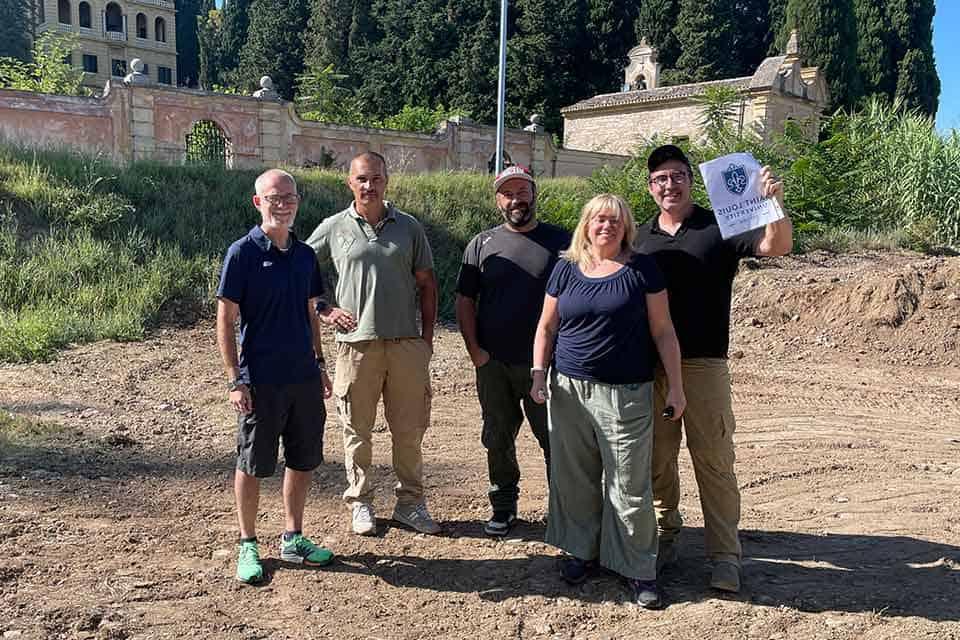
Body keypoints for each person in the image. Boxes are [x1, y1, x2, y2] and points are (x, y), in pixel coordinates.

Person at [635, 144, 793, 594]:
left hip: (703, 364)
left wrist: (773, 205)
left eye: (678, 175)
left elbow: (775, 247)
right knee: (656, 461)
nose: (670, 184)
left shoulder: (720, 224)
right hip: (651, 370)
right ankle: (666, 538)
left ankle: (725, 555)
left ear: (690, 179)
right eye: (661, 178)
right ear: (651, 187)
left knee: (715, 462)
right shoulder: (640, 237)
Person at [530, 193, 686, 609]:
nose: (607, 226)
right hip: (568, 391)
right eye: (599, 219)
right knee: (575, 477)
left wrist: (676, 386)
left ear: (626, 227)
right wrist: (538, 375)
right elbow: (546, 327)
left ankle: (638, 568)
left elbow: (664, 331)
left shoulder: (642, 269)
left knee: (629, 485)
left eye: (615, 220)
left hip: (626, 394)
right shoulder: (565, 270)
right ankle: (582, 552)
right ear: (586, 224)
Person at [307, 151, 440, 536]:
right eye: (362, 179)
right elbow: (301, 269)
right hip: (356, 346)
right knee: (356, 430)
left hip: (405, 347)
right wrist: (324, 308)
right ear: (350, 182)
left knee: (409, 430)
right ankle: (360, 502)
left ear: (386, 181)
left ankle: (411, 504)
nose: (370, 186)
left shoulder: (409, 227)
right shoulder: (334, 228)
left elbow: (428, 285)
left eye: (376, 178)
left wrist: (426, 341)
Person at [216, 169, 335, 584]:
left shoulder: (305, 255)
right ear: (258, 202)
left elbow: (311, 309)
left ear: (297, 202)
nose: (282, 204)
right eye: (274, 197)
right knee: (251, 463)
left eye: (289, 197)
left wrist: (319, 364)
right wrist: (236, 379)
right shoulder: (242, 254)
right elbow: (226, 319)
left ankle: (293, 537)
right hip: (260, 380)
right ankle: (248, 543)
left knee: (302, 460)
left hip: (302, 377)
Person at [455, 165, 570, 537]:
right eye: (508, 193)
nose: (516, 199)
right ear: (497, 200)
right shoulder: (481, 244)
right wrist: (476, 352)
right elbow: (464, 301)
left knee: (556, 439)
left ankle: (565, 513)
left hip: (547, 366)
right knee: (497, 438)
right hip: (495, 364)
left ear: (535, 194)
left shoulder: (563, 243)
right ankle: (503, 507)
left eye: (523, 191)